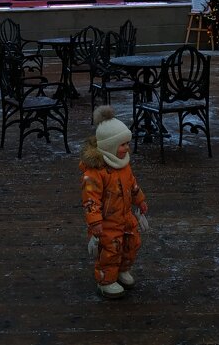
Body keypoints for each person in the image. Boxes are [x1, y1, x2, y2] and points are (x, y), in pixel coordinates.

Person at [79, 105, 149, 299]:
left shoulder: (123, 165)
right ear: (109, 146)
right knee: (110, 250)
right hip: (107, 222)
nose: (127, 148)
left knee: (131, 244)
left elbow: (132, 185)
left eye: (127, 143)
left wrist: (140, 200)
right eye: (122, 144)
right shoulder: (95, 173)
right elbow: (90, 200)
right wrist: (95, 222)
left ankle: (122, 270)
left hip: (125, 216)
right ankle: (106, 280)